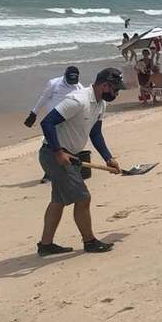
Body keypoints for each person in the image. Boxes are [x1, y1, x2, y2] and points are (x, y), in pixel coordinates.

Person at [36, 68, 126, 256]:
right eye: (115, 90)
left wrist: (109, 158)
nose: (116, 94)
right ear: (104, 85)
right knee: (83, 198)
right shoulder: (78, 100)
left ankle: (45, 245)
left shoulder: (100, 104)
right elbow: (47, 123)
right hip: (55, 155)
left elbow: (95, 133)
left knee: (58, 200)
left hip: (72, 155)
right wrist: (58, 151)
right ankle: (90, 241)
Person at [25, 66, 85, 183]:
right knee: (51, 145)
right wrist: (33, 113)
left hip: (69, 120)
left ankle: (68, 171)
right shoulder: (54, 83)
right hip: (53, 120)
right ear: (65, 76)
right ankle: (48, 173)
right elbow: (43, 98)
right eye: (70, 80)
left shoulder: (79, 86)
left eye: (74, 80)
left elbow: (83, 102)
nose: (72, 83)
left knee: (66, 146)